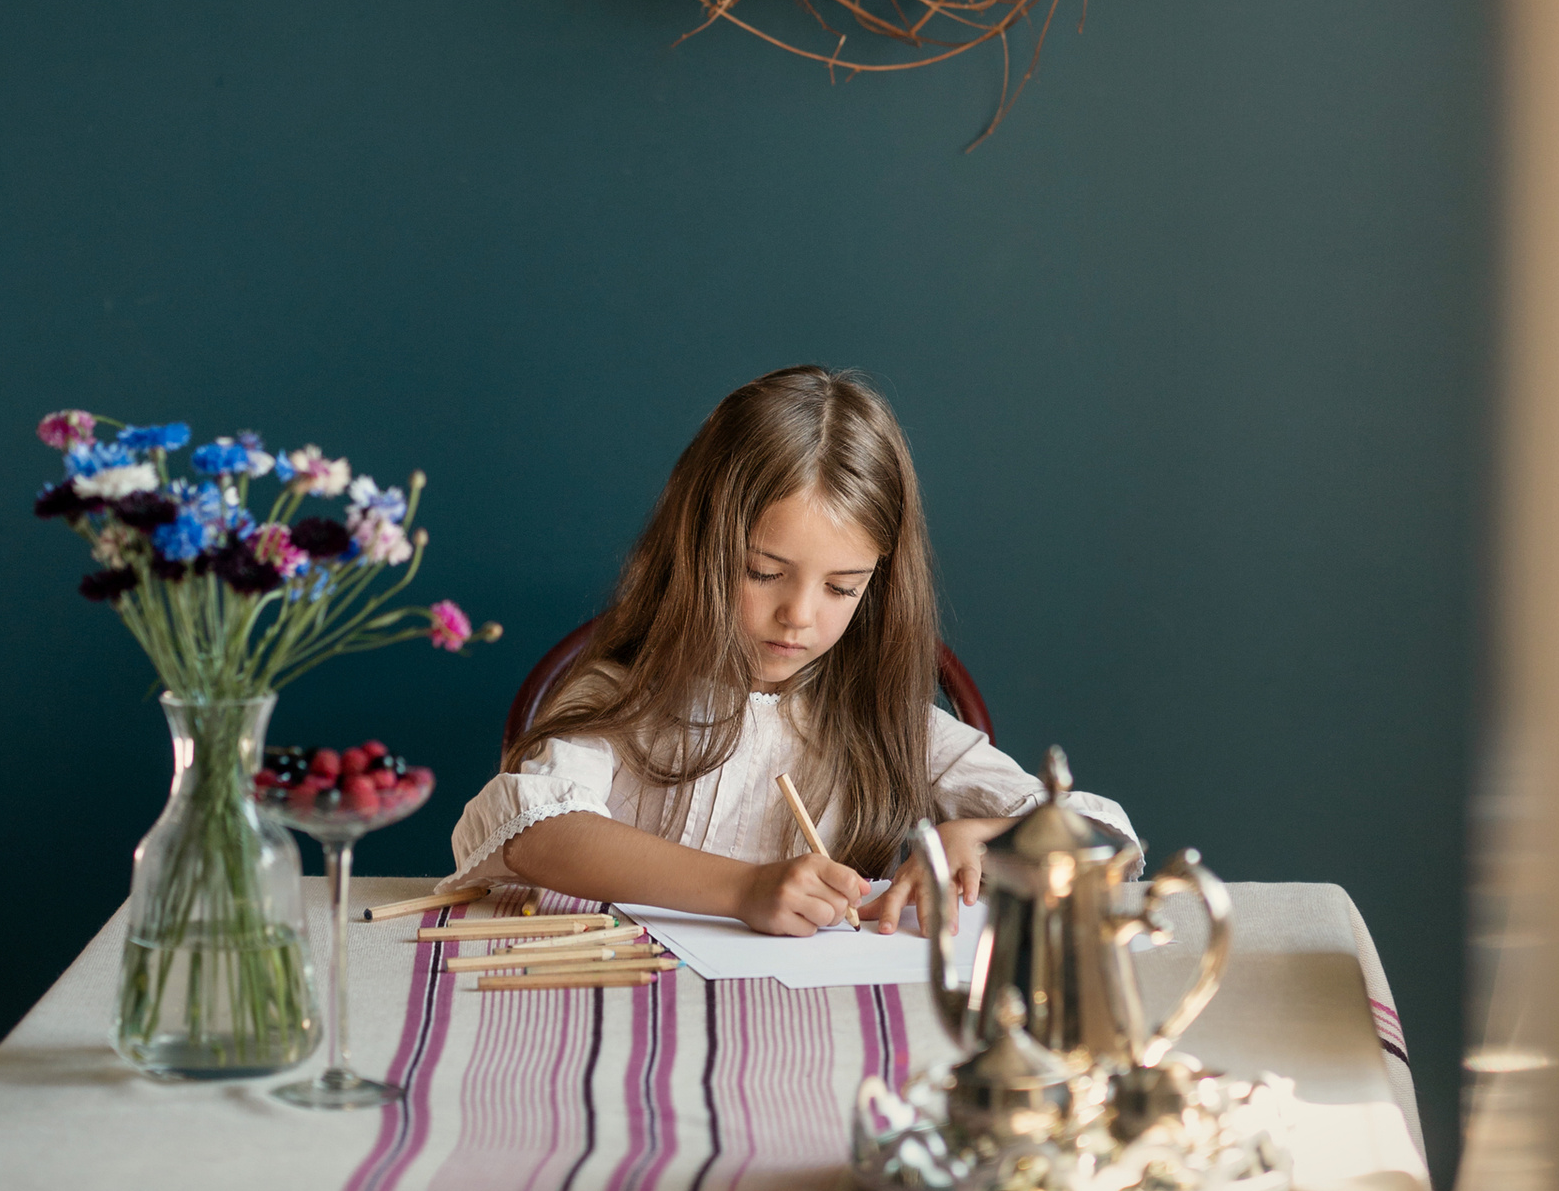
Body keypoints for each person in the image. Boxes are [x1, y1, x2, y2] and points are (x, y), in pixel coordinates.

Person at [446, 366, 1137, 935]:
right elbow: (536, 831)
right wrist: (744, 889)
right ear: (699, 551)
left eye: (842, 587)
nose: (798, 616)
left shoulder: (889, 722)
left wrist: (986, 837)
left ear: (876, 585)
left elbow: (1105, 836)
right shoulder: (623, 695)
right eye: (762, 572)